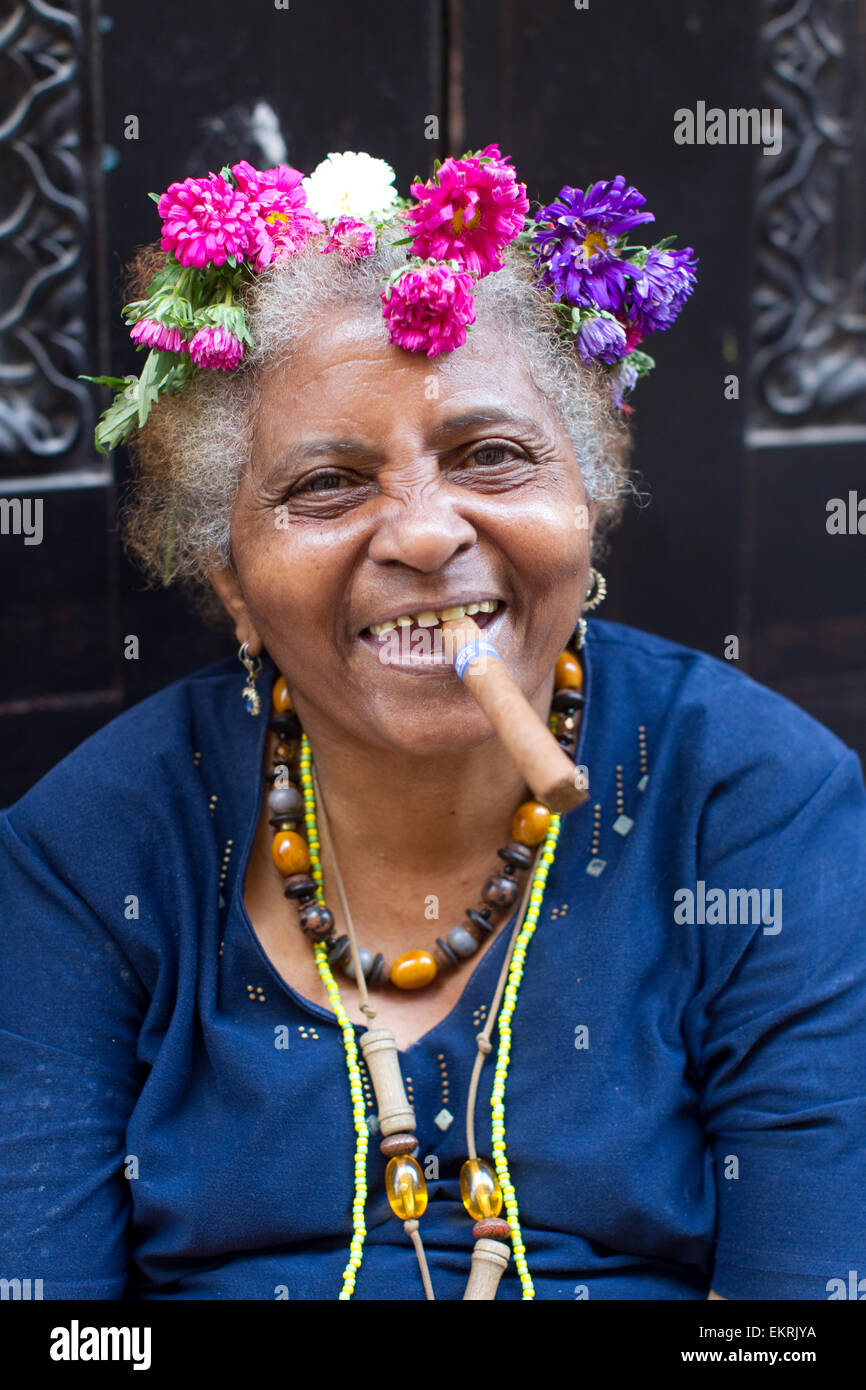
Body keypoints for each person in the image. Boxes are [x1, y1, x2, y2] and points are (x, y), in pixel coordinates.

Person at [1, 151, 864, 1302]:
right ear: (232, 584)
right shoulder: (91, 847)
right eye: (325, 484)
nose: (420, 534)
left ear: (588, 499)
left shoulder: (754, 798)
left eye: (491, 456)